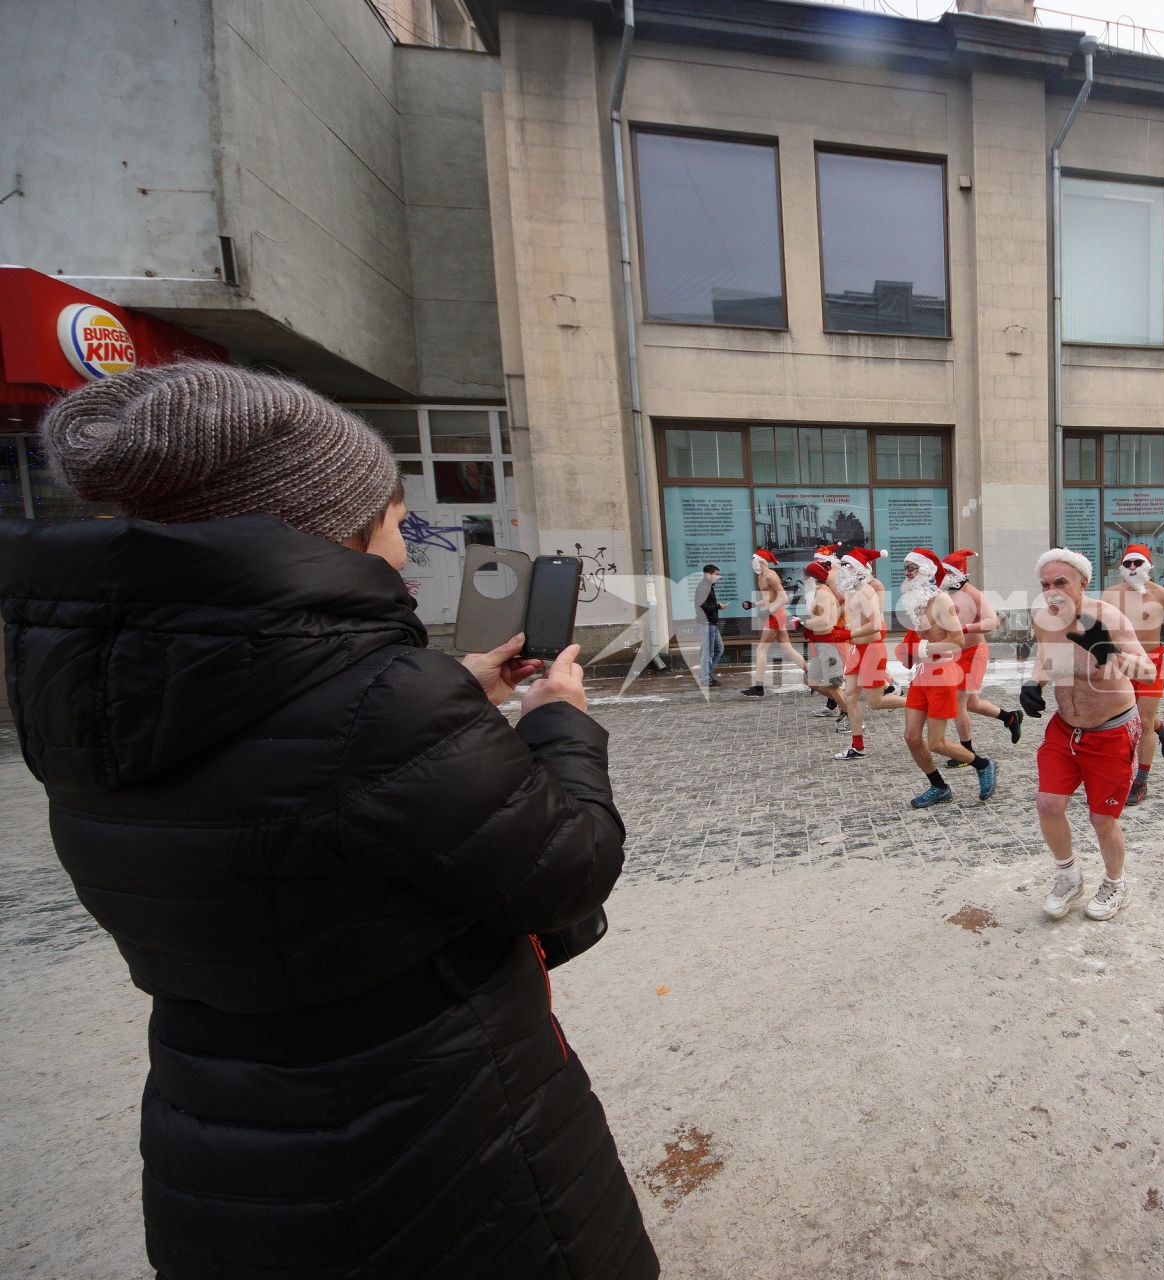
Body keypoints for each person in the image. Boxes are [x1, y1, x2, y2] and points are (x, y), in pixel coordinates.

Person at [0, 362, 657, 1279]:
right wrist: (560, 721)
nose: (400, 547)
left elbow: (270, 764)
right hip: (431, 1131)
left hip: (217, 1121)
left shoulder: (83, 685)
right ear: (330, 527)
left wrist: (447, 695)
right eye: (392, 520)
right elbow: (569, 866)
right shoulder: (379, 701)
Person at [1023, 548, 1153, 923]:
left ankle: (1116, 883)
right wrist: (1034, 683)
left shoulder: (1108, 618)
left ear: (1083, 582)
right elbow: (1048, 654)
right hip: (1065, 729)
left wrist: (1108, 651)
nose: (1052, 591)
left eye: (1061, 582)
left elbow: (1145, 672)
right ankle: (1068, 877)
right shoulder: (1045, 619)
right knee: (1048, 804)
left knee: (1102, 819)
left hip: (1110, 731)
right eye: (1045, 584)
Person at [896, 548, 996, 808]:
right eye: (905, 567)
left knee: (937, 742)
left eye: (912, 568)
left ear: (927, 570)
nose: (906, 573)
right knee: (911, 737)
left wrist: (922, 649)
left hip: (942, 676)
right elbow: (918, 636)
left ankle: (983, 764)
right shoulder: (916, 600)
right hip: (922, 676)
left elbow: (956, 642)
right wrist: (907, 651)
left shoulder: (941, 601)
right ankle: (939, 787)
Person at [1102, 543, 1164, 804]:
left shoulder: (1163, 594)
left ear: (1148, 566)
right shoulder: (1110, 595)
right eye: (1128, 563)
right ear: (1122, 567)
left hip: (1153, 661)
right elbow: (1095, 624)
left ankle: (1140, 781)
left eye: (1138, 563)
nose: (1132, 568)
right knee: (1121, 718)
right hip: (1122, 662)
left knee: (1143, 721)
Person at [943, 548, 1023, 748]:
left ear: (960, 573)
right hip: (955, 655)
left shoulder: (973, 594)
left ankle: (966, 752)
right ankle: (1010, 717)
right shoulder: (947, 592)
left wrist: (965, 627)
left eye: (949, 572)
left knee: (957, 702)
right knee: (971, 703)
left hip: (973, 654)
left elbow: (992, 621)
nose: (945, 576)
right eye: (944, 572)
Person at [839, 547, 905, 759]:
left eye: (845, 565)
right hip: (856, 649)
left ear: (857, 568)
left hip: (872, 650)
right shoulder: (851, 591)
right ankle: (857, 746)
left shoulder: (866, 591)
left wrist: (848, 633)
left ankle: (919, 702)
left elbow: (876, 624)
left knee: (875, 703)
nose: (842, 569)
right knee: (850, 696)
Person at [801, 559, 857, 749]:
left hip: (830, 645)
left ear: (812, 577)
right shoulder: (817, 593)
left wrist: (803, 624)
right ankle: (845, 708)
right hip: (820, 645)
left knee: (833, 686)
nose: (802, 579)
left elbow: (825, 625)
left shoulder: (823, 595)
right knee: (811, 681)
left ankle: (853, 718)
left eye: (805, 575)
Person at [741, 548, 805, 697]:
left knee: (761, 650)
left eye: (753, 559)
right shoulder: (760, 576)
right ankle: (812, 675)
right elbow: (768, 598)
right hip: (774, 615)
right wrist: (753, 604)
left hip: (775, 616)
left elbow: (784, 598)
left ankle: (759, 687)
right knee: (788, 649)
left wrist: (768, 611)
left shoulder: (770, 576)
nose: (751, 562)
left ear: (760, 561)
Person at [693, 562, 727, 688]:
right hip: (706, 623)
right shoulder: (703, 587)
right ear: (708, 574)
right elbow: (702, 606)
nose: (718, 576)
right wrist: (718, 606)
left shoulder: (709, 586)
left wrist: (717, 606)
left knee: (719, 649)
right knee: (708, 652)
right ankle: (706, 678)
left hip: (711, 622)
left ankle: (705, 674)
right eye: (716, 574)